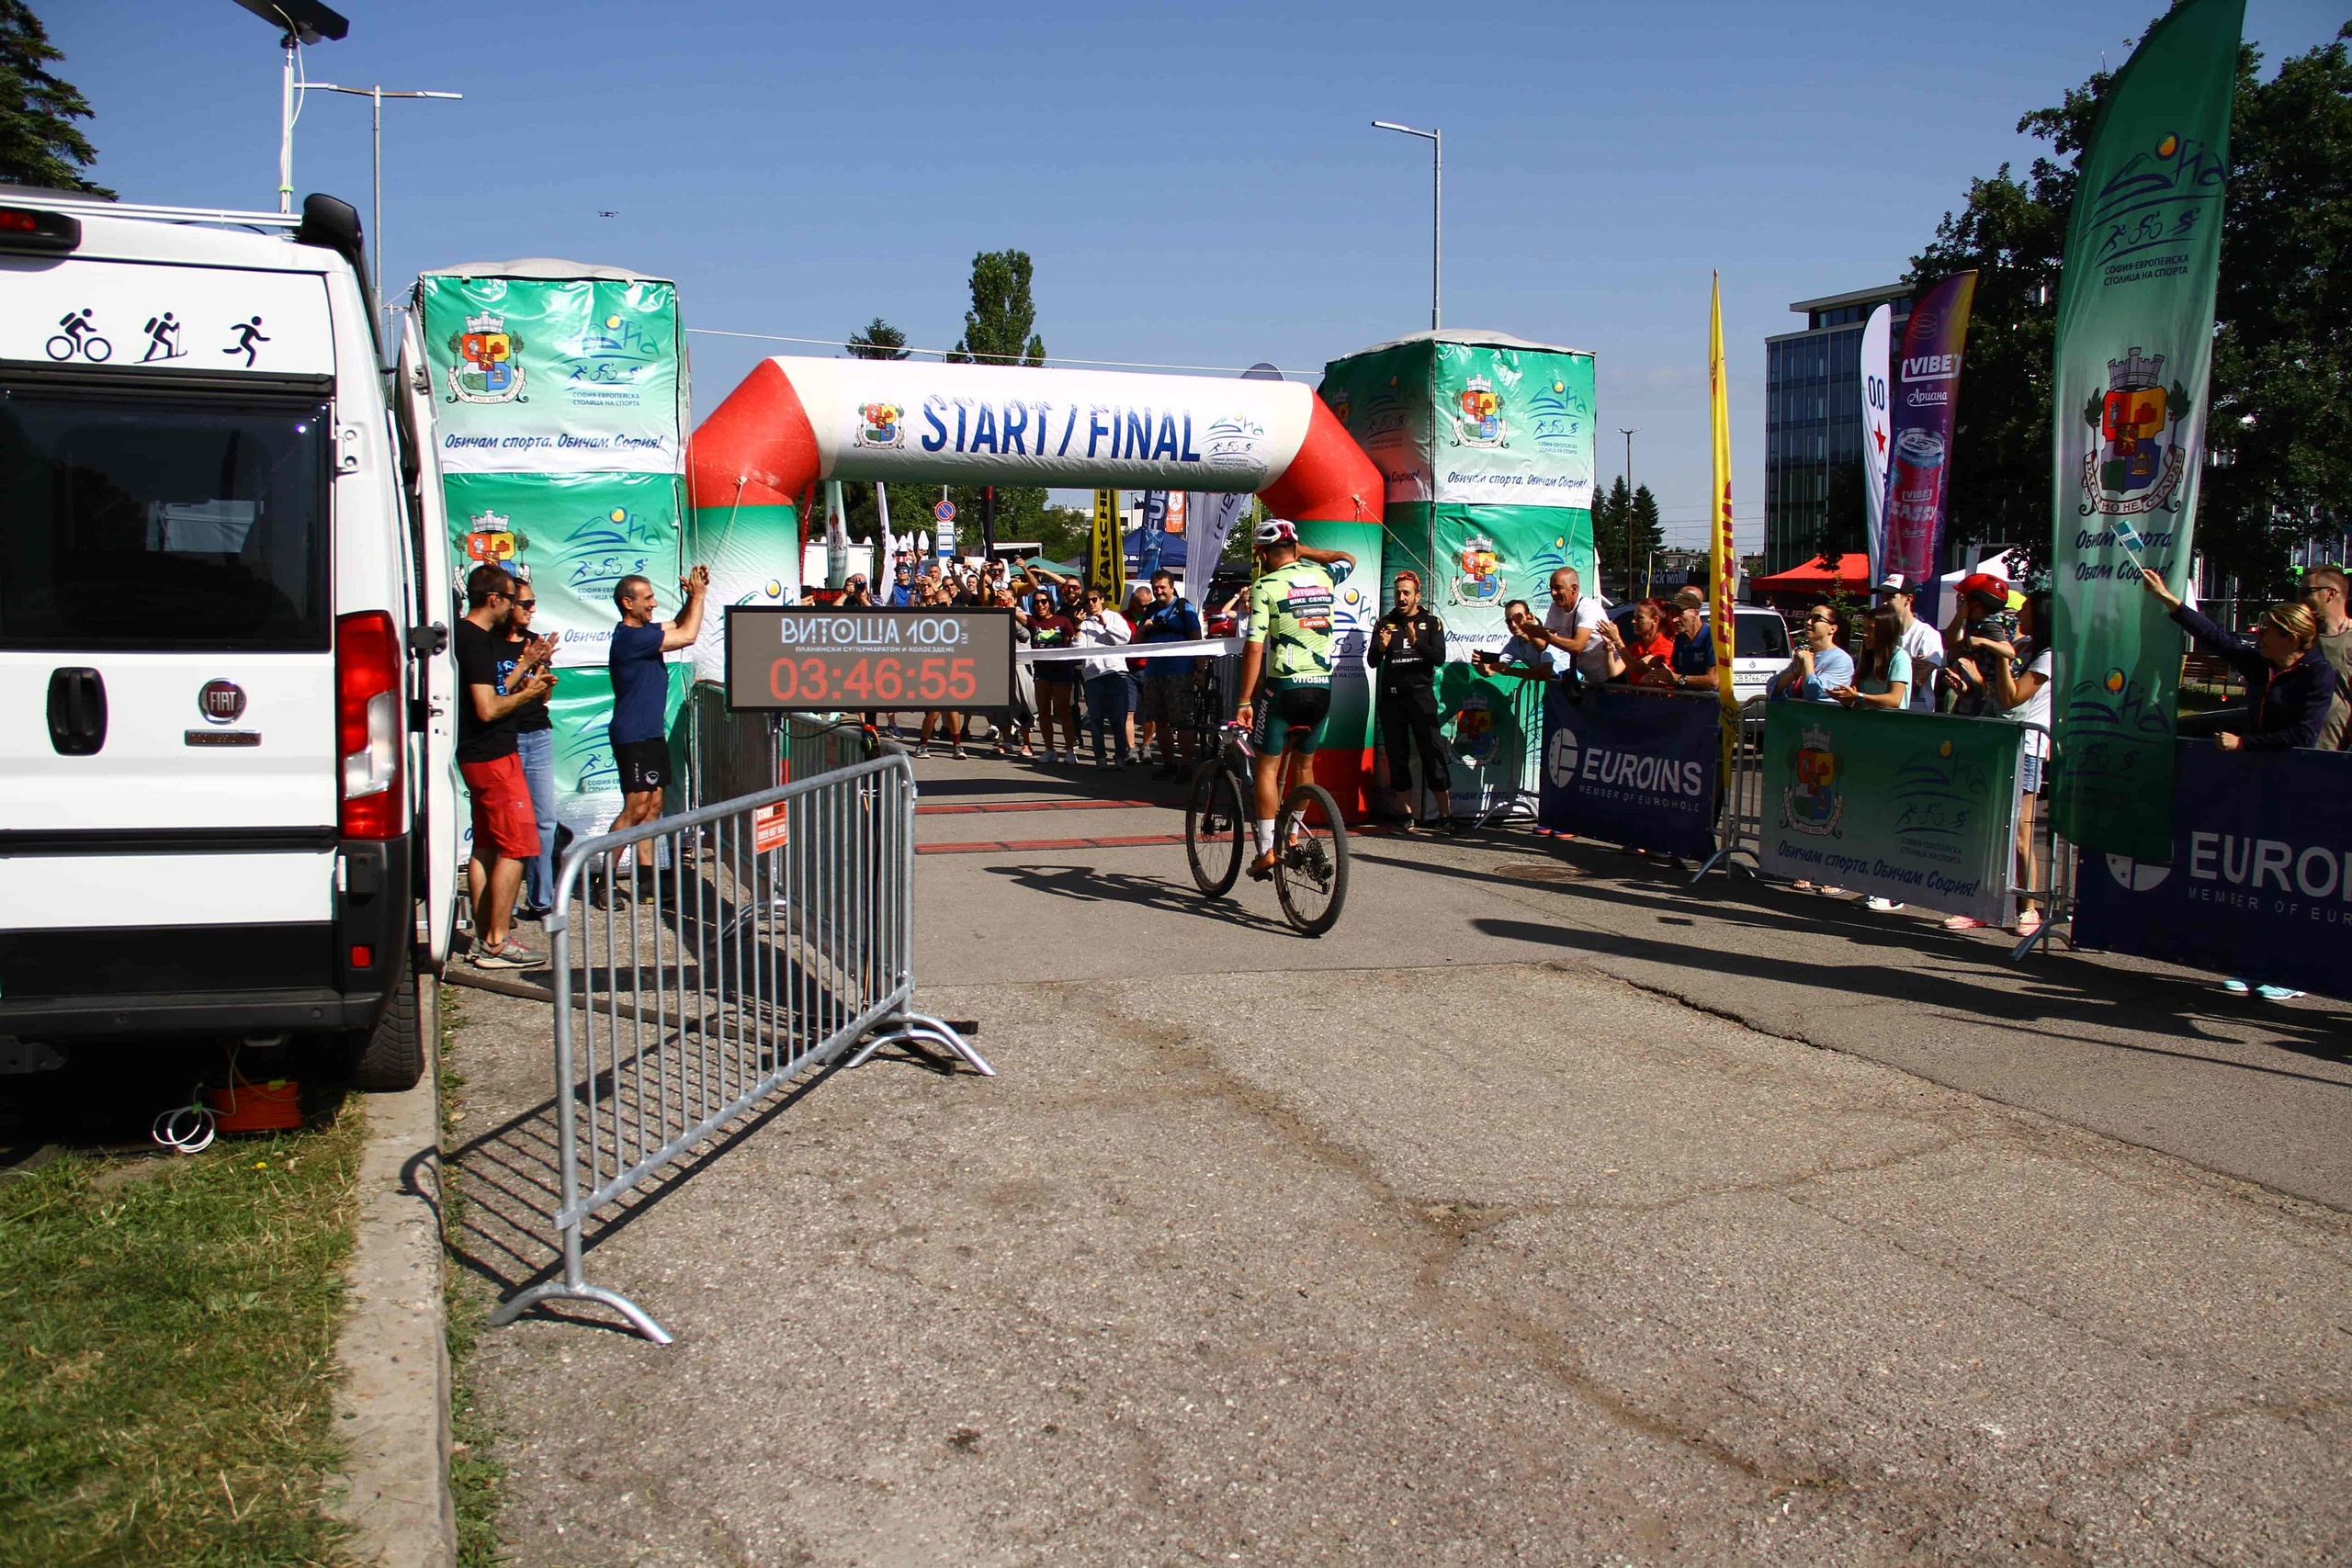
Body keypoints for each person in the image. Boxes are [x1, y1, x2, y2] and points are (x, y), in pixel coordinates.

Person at [1234, 520, 1355, 878]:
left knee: (1267, 768)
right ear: (1295, 548)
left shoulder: (1265, 586)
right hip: (1321, 687)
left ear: (1264, 554)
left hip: (1285, 687)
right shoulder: (1324, 576)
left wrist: (1244, 700)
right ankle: (1292, 835)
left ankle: (1266, 849)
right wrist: (1305, 552)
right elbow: (1346, 558)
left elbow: (1255, 647)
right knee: (1304, 766)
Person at [456, 565, 555, 967]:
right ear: (493, 599)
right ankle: (497, 942)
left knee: (486, 846)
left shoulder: (465, 637)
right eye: (512, 598)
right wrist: (530, 691)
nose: (516, 606)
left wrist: (523, 668)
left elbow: (493, 690)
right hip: (493, 757)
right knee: (517, 847)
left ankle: (485, 934)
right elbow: (488, 707)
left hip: (477, 755)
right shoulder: (476, 641)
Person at [606, 565, 710, 900]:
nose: (653, 603)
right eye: (647, 598)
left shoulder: (645, 631)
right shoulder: (630, 637)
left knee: (653, 807)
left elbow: (679, 624)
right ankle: (604, 880)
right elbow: (687, 635)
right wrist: (699, 596)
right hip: (632, 734)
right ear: (627, 603)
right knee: (635, 808)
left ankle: (648, 879)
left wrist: (692, 598)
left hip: (651, 732)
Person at [496, 578, 560, 919]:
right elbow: (492, 696)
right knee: (507, 825)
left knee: (544, 821)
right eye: (526, 604)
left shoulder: (536, 643)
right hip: (504, 736)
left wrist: (542, 678)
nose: (532, 610)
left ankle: (542, 900)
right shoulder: (491, 643)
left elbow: (544, 696)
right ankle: (503, 903)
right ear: (507, 605)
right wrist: (524, 670)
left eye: (534, 603)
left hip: (538, 733)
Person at [1368, 570, 1451, 830]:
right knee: (1397, 756)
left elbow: (1439, 658)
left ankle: (1446, 817)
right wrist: (1381, 648)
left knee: (1432, 753)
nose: (1401, 598)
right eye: (1398, 593)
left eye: (1406, 593)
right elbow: (1372, 662)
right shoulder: (1384, 622)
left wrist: (1417, 644)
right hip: (1392, 699)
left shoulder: (1431, 622)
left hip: (1421, 696)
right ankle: (1406, 815)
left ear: (1418, 595)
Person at [1135, 570, 1204, 779]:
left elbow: (1197, 640)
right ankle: (1169, 764)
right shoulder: (1150, 610)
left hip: (1180, 673)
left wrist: (1199, 670)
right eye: (1155, 588)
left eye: (1162, 587)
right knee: (1159, 720)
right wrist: (1145, 628)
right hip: (1154, 673)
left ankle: (1186, 765)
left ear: (1171, 587)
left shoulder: (1184, 608)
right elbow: (1136, 642)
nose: (1158, 591)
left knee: (1182, 721)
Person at [1525, 567, 1618, 694]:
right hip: (1593, 681)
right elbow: (1541, 645)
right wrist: (1529, 629)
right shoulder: (1555, 608)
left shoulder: (1588, 608)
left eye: (1558, 588)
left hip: (1615, 679)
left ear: (1573, 588)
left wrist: (1544, 634)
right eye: (1551, 588)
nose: (1553, 593)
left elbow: (1577, 646)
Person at [1939, 573, 2018, 716]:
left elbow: (2009, 651)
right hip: (1991, 693)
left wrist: (1982, 641)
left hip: (2004, 696)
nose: (1959, 602)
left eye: (1963, 599)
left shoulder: (1989, 625)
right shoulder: (1975, 625)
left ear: (1975, 604)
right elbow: (1951, 644)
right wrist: (1960, 615)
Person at [1075, 586, 1136, 767]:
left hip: (1116, 672)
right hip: (1093, 676)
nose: (1091, 603)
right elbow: (1078, 652)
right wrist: (1077, 628)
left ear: (1102, 600)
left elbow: (1124, 639)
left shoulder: (1115, 617)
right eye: (1087, 601)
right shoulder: (1083, 622)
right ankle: (1100, 757)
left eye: (1094, 599)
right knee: (1096, 719)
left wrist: (1105, 624)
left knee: (1118, 718)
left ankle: (1120, 756)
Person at [1873, 573, 1946, 713]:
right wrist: (1910, 667)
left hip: (1917, 713)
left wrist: (1889, 671)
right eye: (1883, 597)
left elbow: (1919, 679)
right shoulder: (1881, 633)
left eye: (1890, 597)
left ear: (1908, 599)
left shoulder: (1928, 635)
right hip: (1884, 710)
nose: (1884, 603)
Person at [1027, 583, 1081, 761]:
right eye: (1036, 602)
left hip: (1062, 672)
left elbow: (1075, 640)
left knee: (1063, 711)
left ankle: (1069, 749)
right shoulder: (1032, 621)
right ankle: (1049, 750)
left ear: (1050, 603)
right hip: (1041, 672)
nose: (1040, 605)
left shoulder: (1062, 621)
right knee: (1043, 712)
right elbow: (1013, 614)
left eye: (1043, 601)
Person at [2302, 565, 2352, 749]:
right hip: (2291, 750)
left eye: (2307, 592)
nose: (2300, 600)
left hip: (2335, 757)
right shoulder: (2294, 638)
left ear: (2330, 594)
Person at [1829, 606, 1912, 712]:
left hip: (1891, 724)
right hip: (1867, 723)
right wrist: (1844, 695)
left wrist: (1858, 696)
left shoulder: (1899, 657)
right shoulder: (1865, 658)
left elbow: (1894, 700)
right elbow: (1856, 694)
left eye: (1871, 629)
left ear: (1885, 632)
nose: (1865, 634)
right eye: (1864, 629)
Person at [1772, 603, 1854, 701]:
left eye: (1817, 618)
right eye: (1808, 617)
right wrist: (1796, 672)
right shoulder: (1805, 655)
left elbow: (1813, 693)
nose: (1809, 622)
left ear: (1833, 629)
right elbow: (1773, 688)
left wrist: (1807, 662)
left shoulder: (1841, 659)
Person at [1617, 599, 1678, 688]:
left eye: (1640, 618)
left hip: (1660, 700)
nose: (1633, 621)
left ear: (1655, 621)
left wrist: (1617, 640)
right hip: (1638, 699)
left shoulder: (1666, 646)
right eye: (1634, 617)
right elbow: (1613, 671)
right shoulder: (1636, 646)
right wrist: (1609, 646)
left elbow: (1636, 668)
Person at [1667, 588, 1719, 690]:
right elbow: (1675, 674)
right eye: (1672, 614)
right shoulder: (1680, 639)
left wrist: (1679, 679)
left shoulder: (1711, 637)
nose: (1674, 619)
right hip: (1684, 702)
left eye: (1680, 613)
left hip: (1707, 703)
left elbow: (1714, 681)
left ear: (1695, 613)